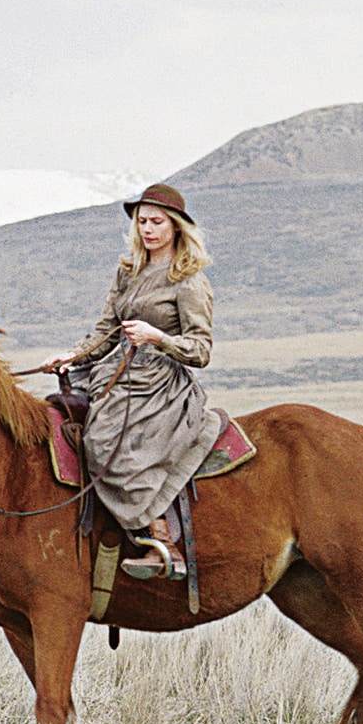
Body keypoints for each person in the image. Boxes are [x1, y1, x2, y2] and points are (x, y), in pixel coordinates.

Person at [40, 183, 223, 579]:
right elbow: (105, 330)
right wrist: (69, 357)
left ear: (176, 227)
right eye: (142, 221)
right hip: (114, 370)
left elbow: (201, 349)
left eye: (157, 222)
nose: (148, 229)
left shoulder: (188, 280)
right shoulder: (127, 272)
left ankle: (161, 541)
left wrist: (158, 337)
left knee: (104, 443)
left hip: (158, 384)